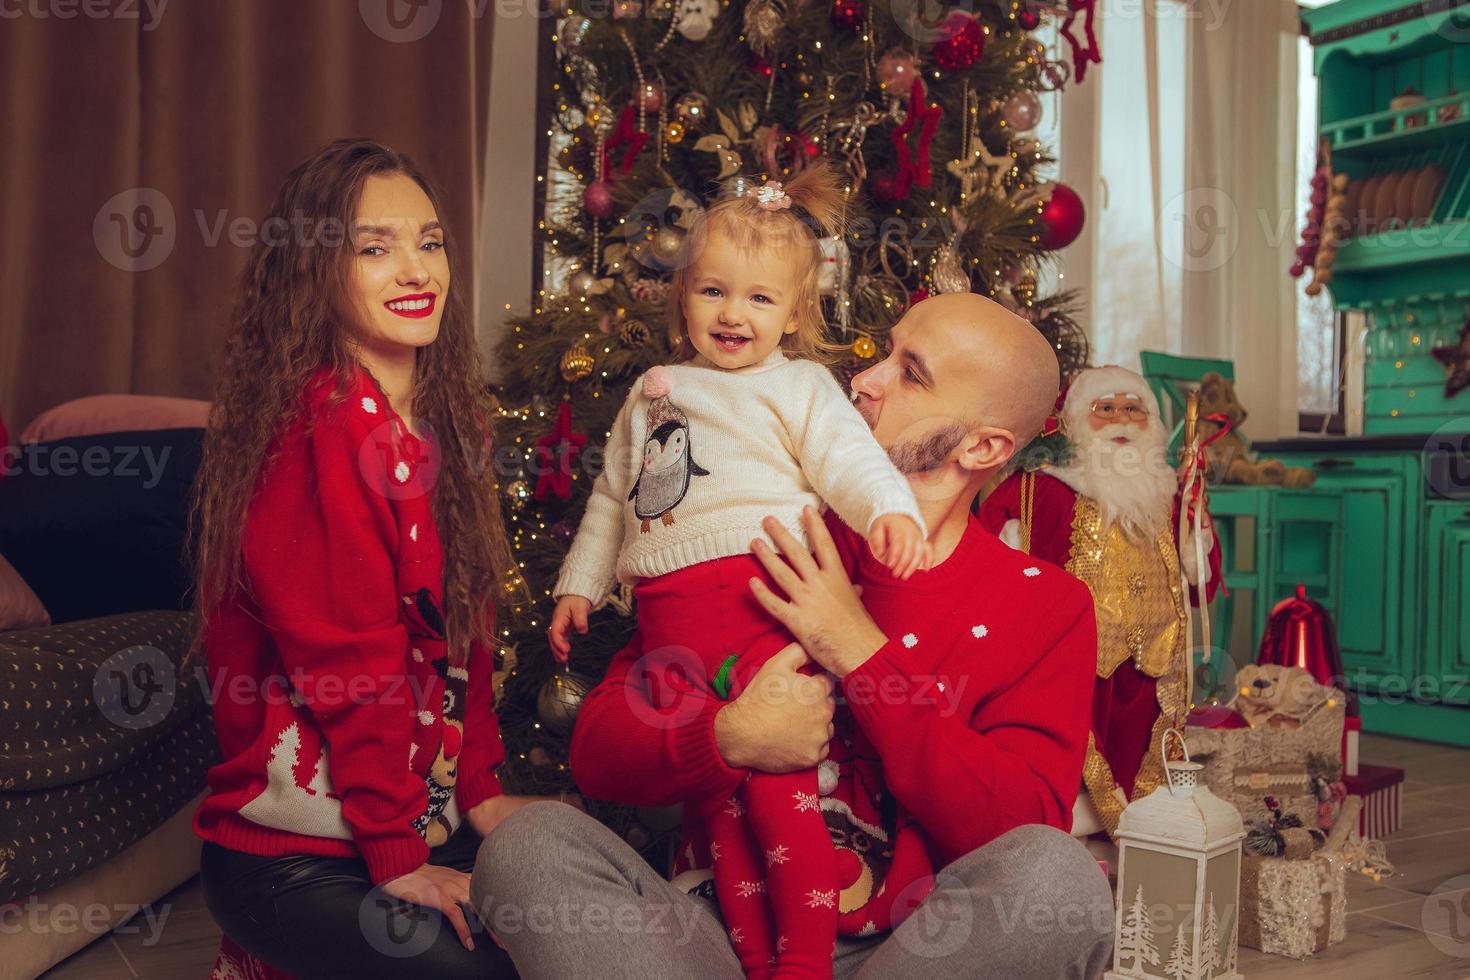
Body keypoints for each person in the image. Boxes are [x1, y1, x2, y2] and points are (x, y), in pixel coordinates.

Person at [475, 293, 1114, 980]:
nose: (865, 380)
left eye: (911, 373)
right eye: (884, 353)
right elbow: (600, 750)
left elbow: (1013, 826)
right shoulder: (762, 534)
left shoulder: (1045, 604)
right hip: (720, 936)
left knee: (1062, 881)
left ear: (982, 446)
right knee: (528, 846)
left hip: (914, 951)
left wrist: (858, 651)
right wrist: (728, 736)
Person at [190, 138, 568, 980]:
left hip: (410, 823)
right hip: (290, 858)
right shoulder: (320, 427)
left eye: (429, 242)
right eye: (375, 248)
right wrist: (400, 858)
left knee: (566, 937)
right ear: (313, 273)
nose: (415, 270)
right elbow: (349, 664)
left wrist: (480, 788)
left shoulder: (445, 425)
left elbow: (461, 644)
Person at [547, 163, 929, 979]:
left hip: (758, 606)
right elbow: (614, 497)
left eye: (760, 299)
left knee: (776, 783)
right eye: (714, 291)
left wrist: (888, 509)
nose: (733, 314)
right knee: (716, 794)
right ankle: (754, 961)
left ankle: (804, 965)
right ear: (683, 295)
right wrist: (580, 585)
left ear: (794, 312)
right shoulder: (656, 392)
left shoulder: (798, 386)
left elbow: (848, 461)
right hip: (667, 626)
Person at [979, 365, 1221, 837]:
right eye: (1104, 410)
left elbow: (1199, 580)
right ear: (1073, 421)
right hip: (1075, 665)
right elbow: (991, 549)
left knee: (1145, 761)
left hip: (1155, 665)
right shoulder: (1041, 487)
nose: (1121, 422)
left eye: (1133, 409)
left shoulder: (1166, 492)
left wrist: (1198, 531)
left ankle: (1140, 833)